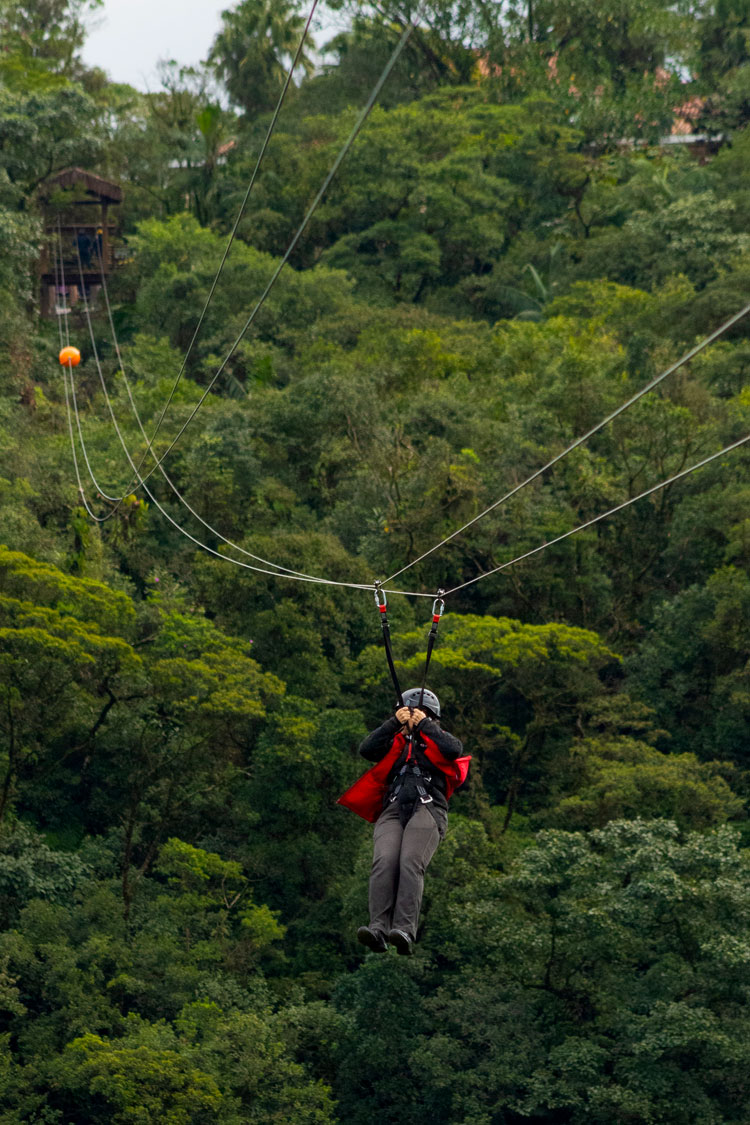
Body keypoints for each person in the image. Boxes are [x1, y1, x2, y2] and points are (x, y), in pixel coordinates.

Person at [355, 687, 465, 956]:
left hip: (427, 807)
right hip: (393, 808)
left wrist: (423, 724)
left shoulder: (437, 741)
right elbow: (367, 749)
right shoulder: (395, 743)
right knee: (384, 861)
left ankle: (404, 929)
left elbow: (454, 749)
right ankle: (378, 928)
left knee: (409, 862)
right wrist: (395, 722)